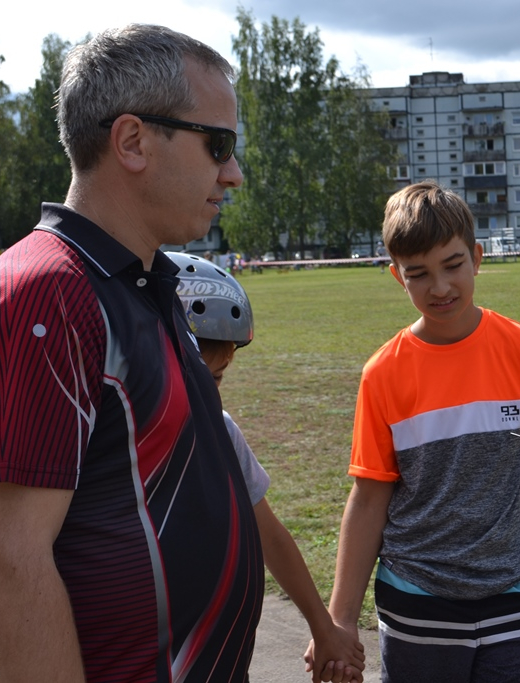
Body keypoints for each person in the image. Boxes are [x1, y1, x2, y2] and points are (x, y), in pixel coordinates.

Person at [0, 25, 263, 682]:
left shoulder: (146, 281)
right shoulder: (45, 291)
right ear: (133, 141)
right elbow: (8, 557)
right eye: (217, 143)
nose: (234, 172)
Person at [323, 181, 520, 683]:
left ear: (477, 257)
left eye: (452, 265)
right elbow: (370, 496)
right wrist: (340, 619)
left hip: (518, 587)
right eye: (418, 273)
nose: (439, 287)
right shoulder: (383, 373)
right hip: (417, 595)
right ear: (397, 276)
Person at [169, 252, 364, 683]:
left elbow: (270, 535)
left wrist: (323, 626)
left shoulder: (221, 433)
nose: (209, 394)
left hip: (214, 660)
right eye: (197, 375)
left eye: (217, 379)